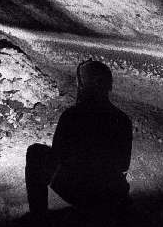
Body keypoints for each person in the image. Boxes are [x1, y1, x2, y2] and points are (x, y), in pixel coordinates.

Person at [25, 59, 132, 217]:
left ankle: (38, 216)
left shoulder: (71, 116)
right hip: (112, 194)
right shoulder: (122, 119)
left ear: (82, 85)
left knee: (36, 152)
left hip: (83, 193)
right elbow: (123, 164)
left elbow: (58, 156)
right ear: (109, 85)